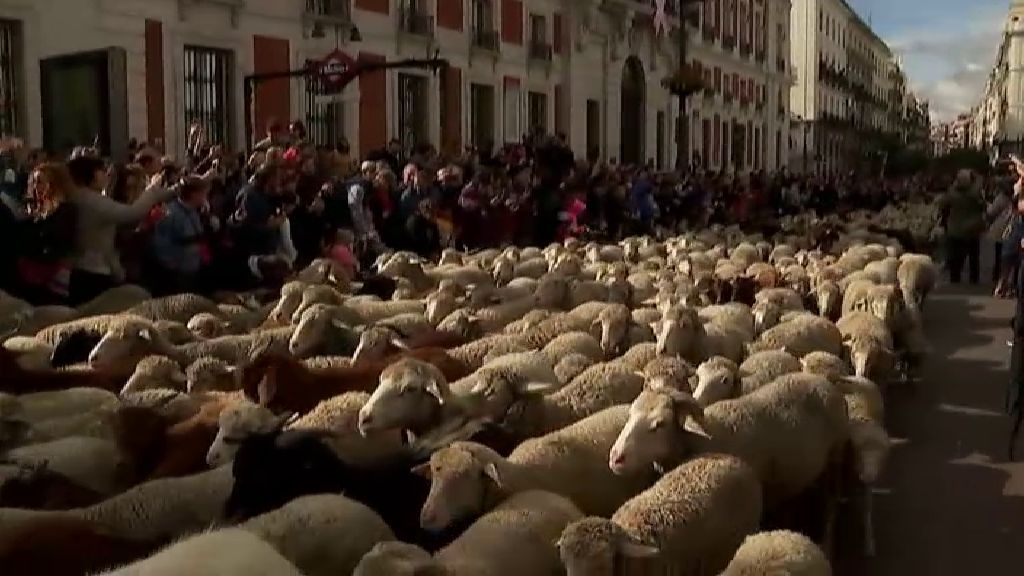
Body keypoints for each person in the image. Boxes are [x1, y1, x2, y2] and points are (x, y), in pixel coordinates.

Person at [65, 155, 175, 305]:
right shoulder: (92, 201)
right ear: (90, 174)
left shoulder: (82, 197)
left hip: (86, 269)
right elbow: (131, 213)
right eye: (101, 171)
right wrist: (153, 191)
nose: (106, 175)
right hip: (93, 272)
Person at [12, 163, 78, 305]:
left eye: (40, 182)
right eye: (34, 182)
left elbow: (60, 242)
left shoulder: (65, 211)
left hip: (52, 277)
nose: (36, 187)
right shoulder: (34, 209)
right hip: (31, 276)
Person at [149, 176, 212, 294]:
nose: (205, 197)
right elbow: (161, 243)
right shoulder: (170, 213)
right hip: (179, 271)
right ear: (194, 195)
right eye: (203, 194)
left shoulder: (194, 210)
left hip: (193, 265)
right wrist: (173, 265)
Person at [939, 169, 986, 285]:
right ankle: (974, 279)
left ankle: (955, 278)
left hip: (955, 229)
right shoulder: (975, 194)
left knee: (956, 255)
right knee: (973, 256)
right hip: (972, 229)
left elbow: (942, 206)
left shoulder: (951, 193)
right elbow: (983, 207)